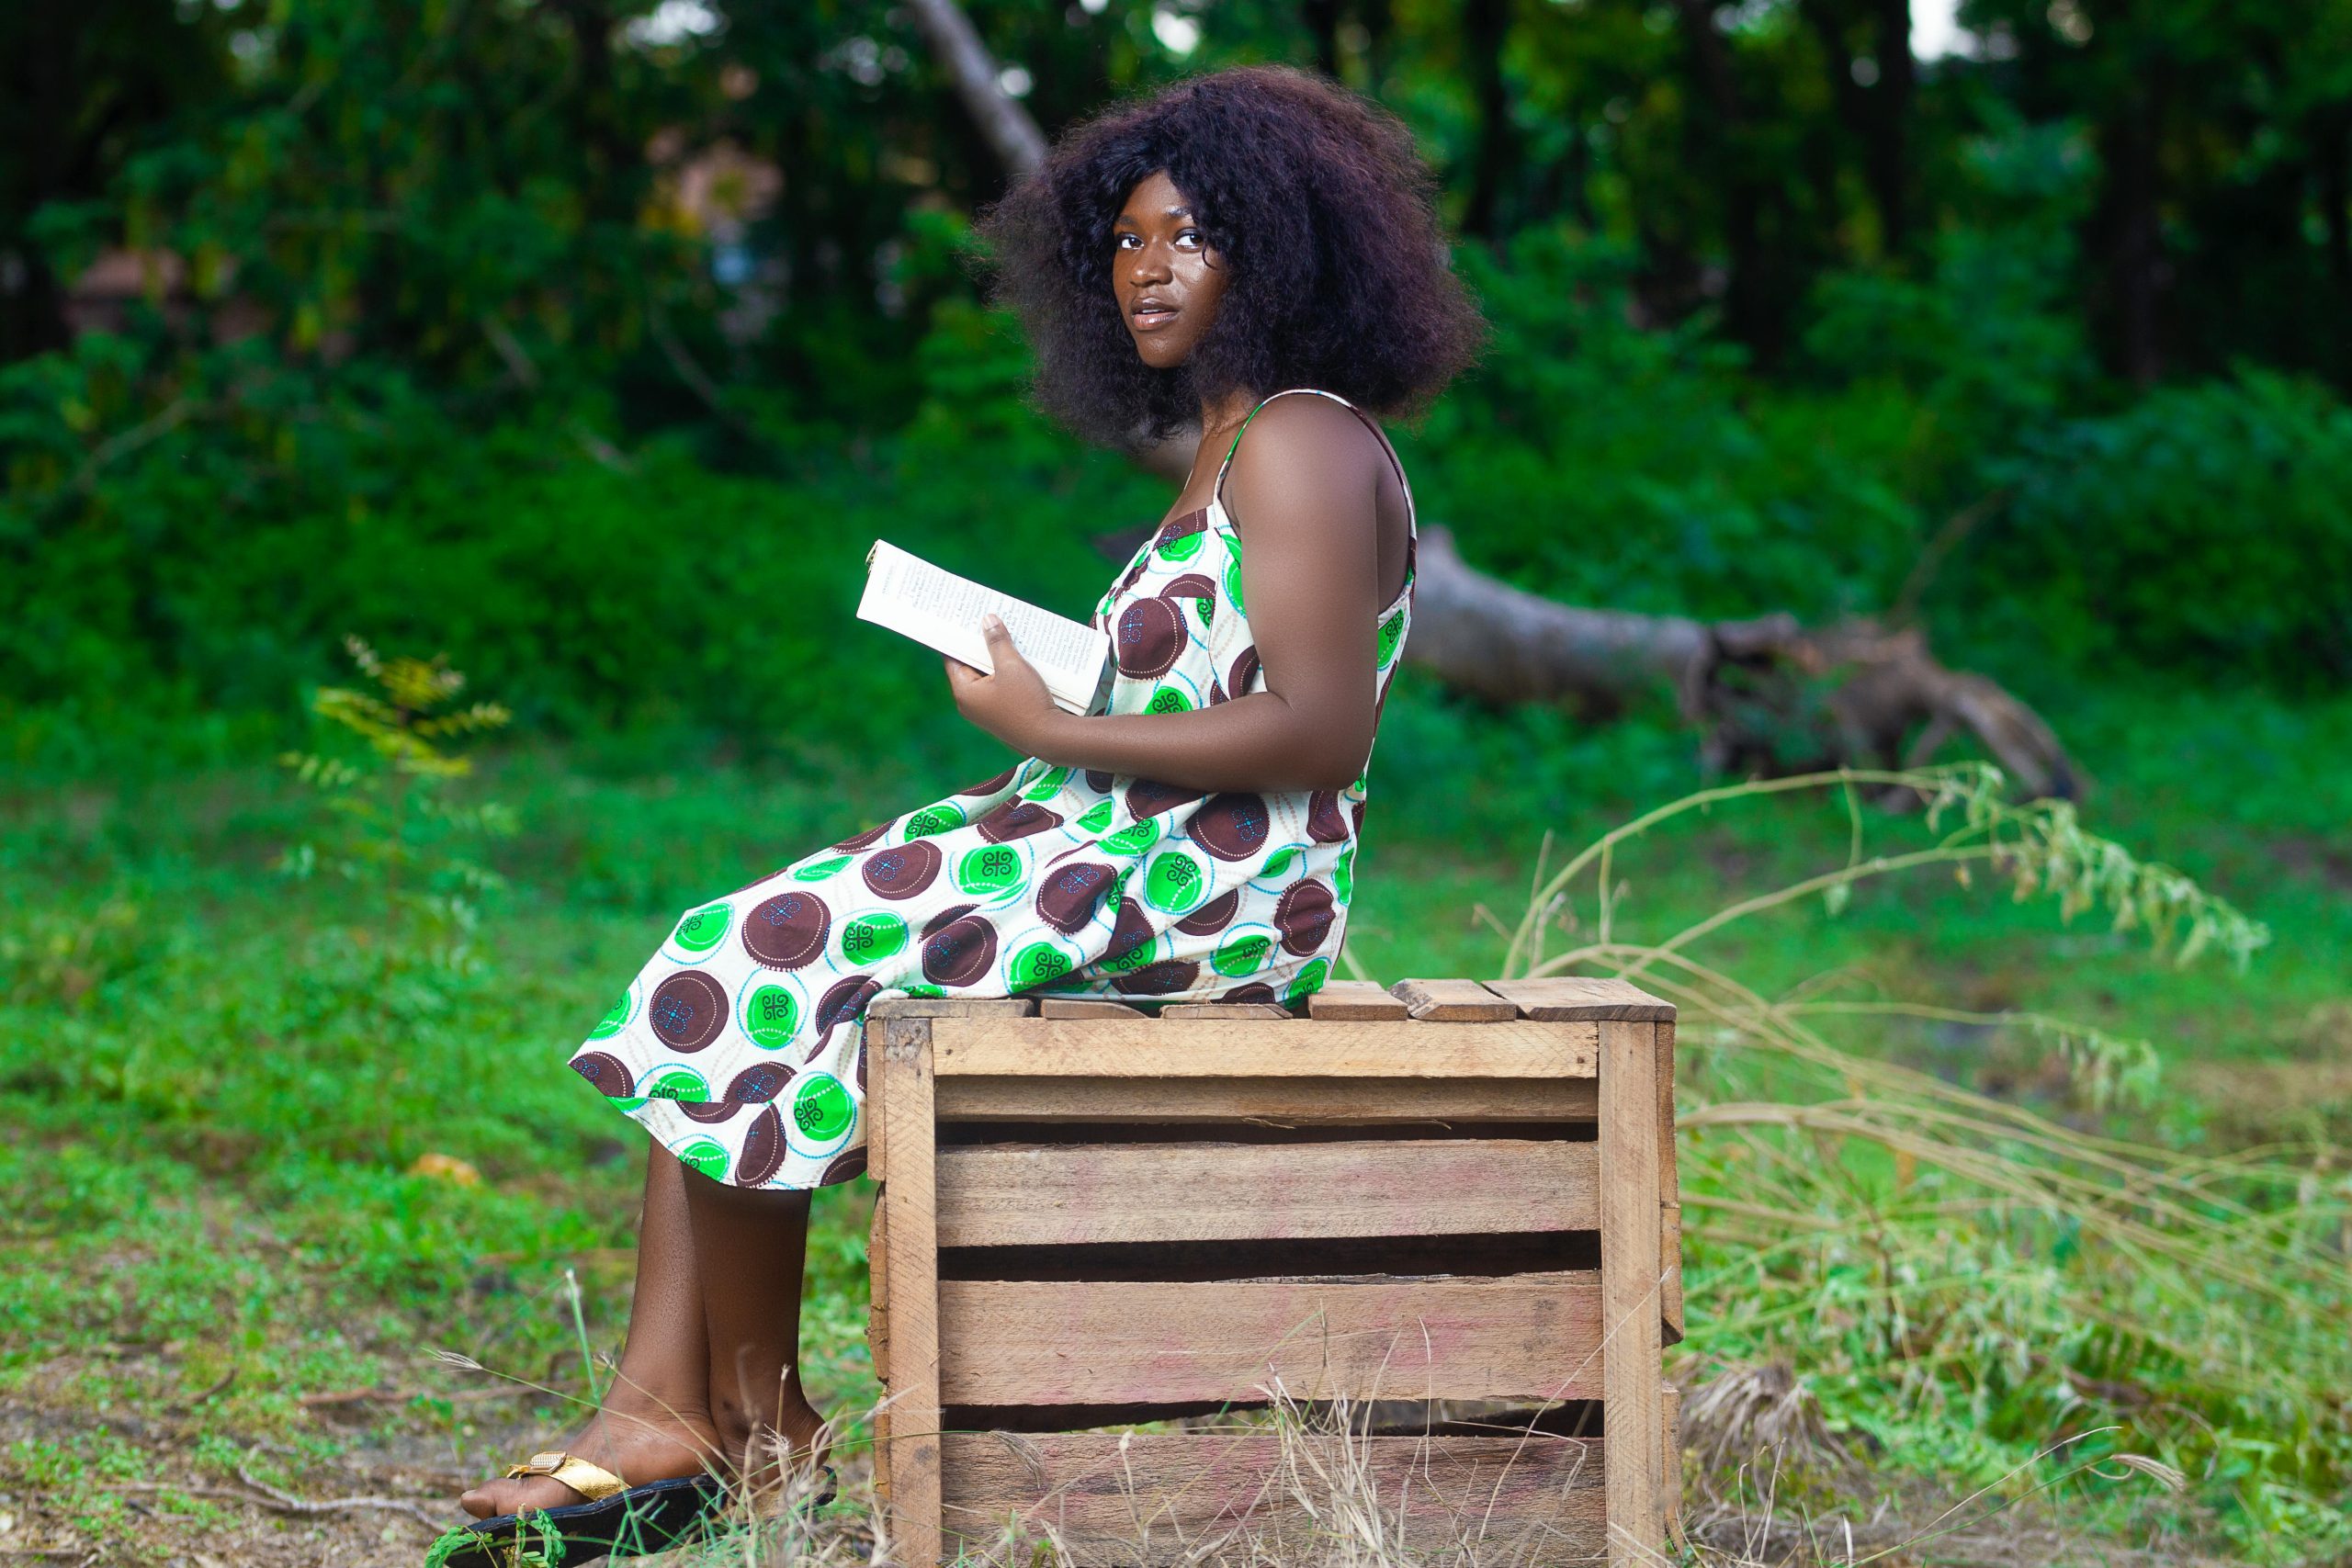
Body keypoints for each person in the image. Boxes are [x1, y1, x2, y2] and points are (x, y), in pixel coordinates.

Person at [434, 61, 1482, 1565]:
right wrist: (1062, 695)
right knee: (732, 950)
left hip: (1215, 897)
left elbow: (1323, 727)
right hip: (1123, 848)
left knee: (766, 955)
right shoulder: (1231, 445)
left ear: (1282, 248)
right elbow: (1204, 685)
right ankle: (690, 1409)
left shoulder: (1305, 440)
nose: (1149, 268)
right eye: (1124, 241)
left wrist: (1054, 723)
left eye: (1191, 234)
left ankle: (730, 1422)